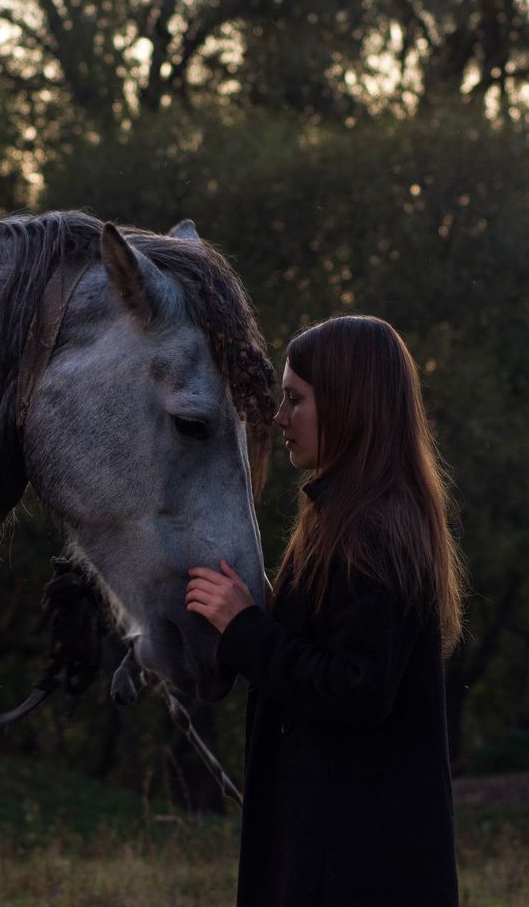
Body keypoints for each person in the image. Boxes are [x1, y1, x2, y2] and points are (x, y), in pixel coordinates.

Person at [186, 314, 465, 907]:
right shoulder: (348, 515)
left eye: (296, 400)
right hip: (339, 850)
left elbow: (358, 688)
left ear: (347, 404)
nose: (280, 419)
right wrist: (261, 606)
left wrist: (247, 628)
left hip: (354, 865)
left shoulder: (374, 531)